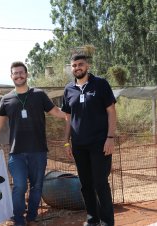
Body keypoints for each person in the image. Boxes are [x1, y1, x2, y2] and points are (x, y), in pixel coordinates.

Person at [0, 61, 66, 226]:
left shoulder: (39, 94)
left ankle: (31, 218)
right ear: (11, 77)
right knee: (20, 186)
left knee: (37, 187)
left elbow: (55, 112)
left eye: (21, 72)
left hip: (39, 151)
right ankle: (18, 219)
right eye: (15, 73)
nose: (18, 75)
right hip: (16, 153)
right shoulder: (7, 99)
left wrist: (70, 114)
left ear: (27, 74)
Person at [62, 53, 117, 226]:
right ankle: (92, 219)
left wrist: (110, 137)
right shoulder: (68, 89)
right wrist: (66, 142)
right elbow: (68, 119)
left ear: (87, 66)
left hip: (100, 143)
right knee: (85, 184)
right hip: (79, 145)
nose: (77, 67)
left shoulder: (100, 84)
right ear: (71, 68)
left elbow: (111, 112)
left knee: (100, 183)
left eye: (80, 64)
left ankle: (107, 221)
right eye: (74, 65)